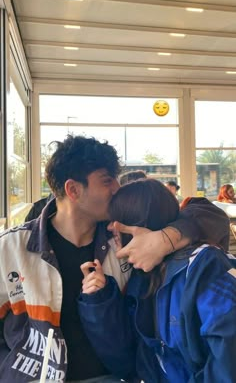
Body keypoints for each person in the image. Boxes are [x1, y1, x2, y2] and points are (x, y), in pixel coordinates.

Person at [0, 135, 229, 382]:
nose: (117, 189)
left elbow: (211, 216)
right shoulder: (12, 248)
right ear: (73, 190)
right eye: (108, 181)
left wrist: (165, 239)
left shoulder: (126, 237)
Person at [78, 179, 236, 383]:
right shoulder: (142, 279)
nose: (110, 230)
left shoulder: (203, 267)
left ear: (138, 226)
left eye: (115, 222)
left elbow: (228, 355)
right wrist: (99, 301)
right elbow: (127, 361)